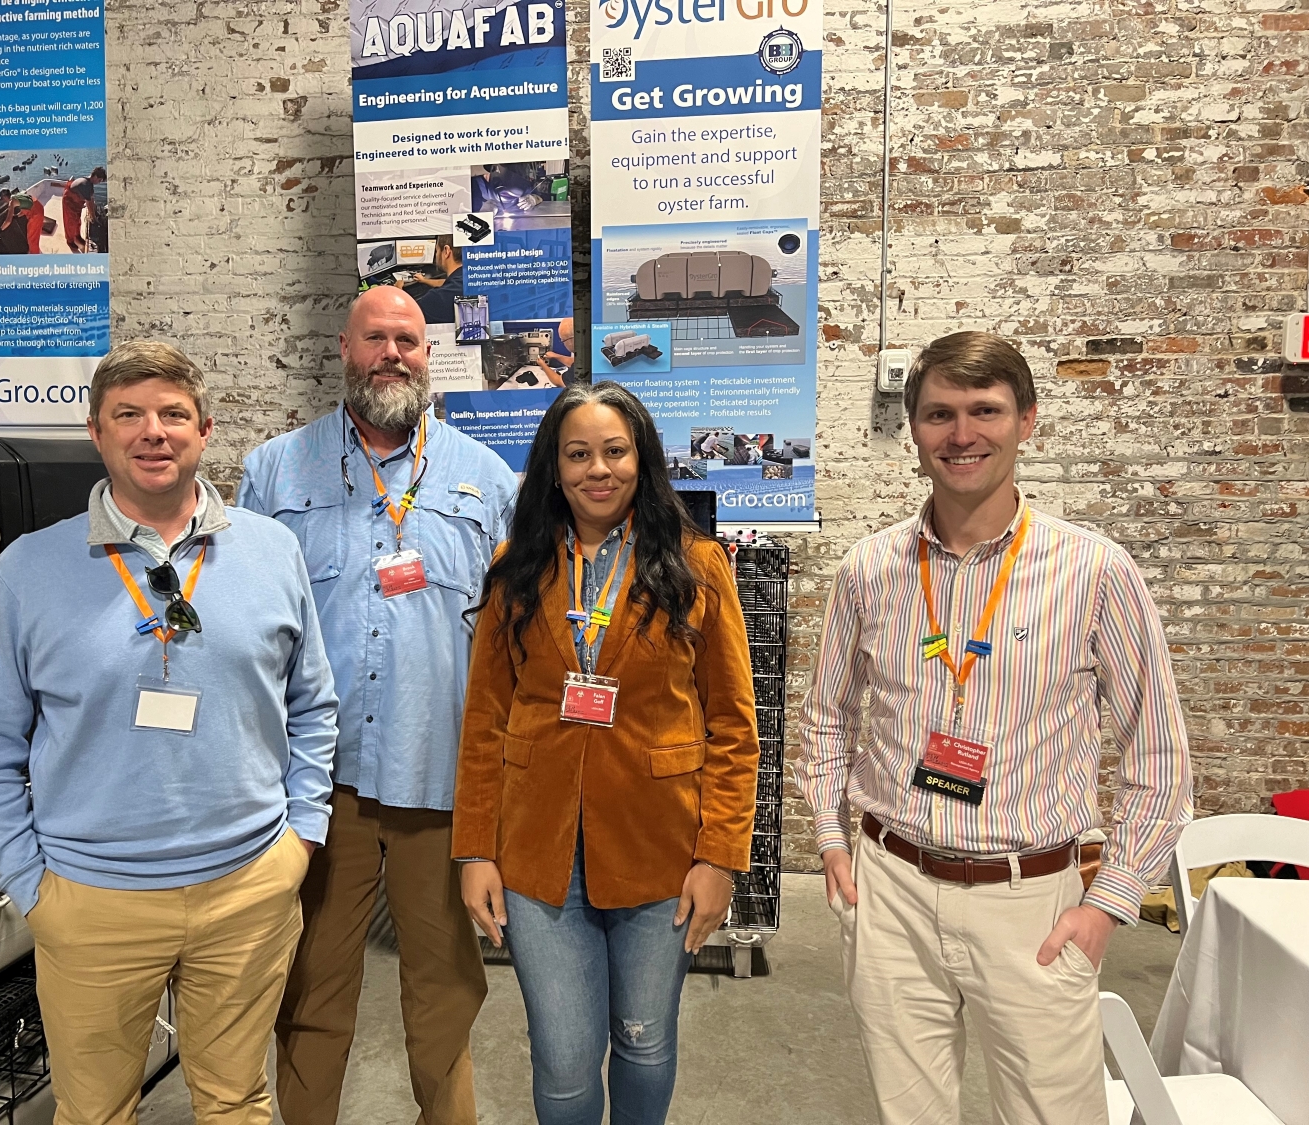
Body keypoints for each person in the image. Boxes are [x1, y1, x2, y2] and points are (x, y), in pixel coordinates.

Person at [796, 331, 1193, 1125]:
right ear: (914, 428)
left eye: (985, 410)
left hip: (1035, 900)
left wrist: (1110, 900)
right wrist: (832, 841)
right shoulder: (869, 569)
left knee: (1054, 1114)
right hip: (892, 890)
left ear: (1027, 420)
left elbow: (1158, 753)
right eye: (940, 413)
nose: (962, 433)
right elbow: (824, 717)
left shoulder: (1093, 570)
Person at [0, 340, 339, 1125]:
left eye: (172, 413)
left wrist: (299, 839)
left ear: (204, 430)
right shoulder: (30, 570)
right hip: (91, 900)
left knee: (237, 1100)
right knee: (93, 1111)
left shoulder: (272, 551)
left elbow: (314, 707)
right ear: (97, 433)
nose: (151, 431)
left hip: (247, 888)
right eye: (128, 414)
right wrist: (32, 886)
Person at [239, 286, 517, 1125]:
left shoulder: (486, 477)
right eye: (376, 339)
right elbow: (246, 625)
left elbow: (512, 642)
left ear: (430, 356)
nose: (393, 353)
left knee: (443, 995)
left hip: (440, 778)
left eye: (409, 340)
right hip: (321, 788)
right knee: (313, 986)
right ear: (343, 347)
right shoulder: (274, 470)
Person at [454, 381, 759, 1125]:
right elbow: (486, 719)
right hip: (537, 854)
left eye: (615, 451)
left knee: (645, 1042)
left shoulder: (696, 565)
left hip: (661, 845)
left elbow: (733, 725)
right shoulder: (516, 566)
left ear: (642, 458)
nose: (599, 469)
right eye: (579, 453)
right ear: (554, 468)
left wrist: (719, 857)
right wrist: (475, 852)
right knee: (562, 1056)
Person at [403, 234, 463, 324]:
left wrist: (398, 291)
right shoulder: (474, 277)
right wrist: (424, 280)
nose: (436, 254)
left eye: (437, 250)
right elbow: (447, 282)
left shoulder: (436, 298)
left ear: (446, 251)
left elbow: (404, 316)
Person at [62, 166, 106, 252]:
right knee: (70, 223)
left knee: (77, 221)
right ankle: (70, 240)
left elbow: (91, 199)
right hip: (69, 202)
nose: (99, 182)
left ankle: (77, 235)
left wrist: (94, 212)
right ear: (96, 177)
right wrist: (93, 217)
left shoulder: (89, 183)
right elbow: (89, 204)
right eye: (100, 180)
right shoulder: (85, 184)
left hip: (76, 204)